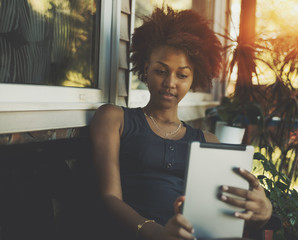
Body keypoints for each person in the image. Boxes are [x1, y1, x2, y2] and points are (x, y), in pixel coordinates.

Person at [89, 6, 272, 240]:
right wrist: (158, 233)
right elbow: (109, 197)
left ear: (194, 78)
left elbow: (224, 212)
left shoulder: (208, 141)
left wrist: (264, 211)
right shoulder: (115, 119)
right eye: (161, 71)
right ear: (146, 69)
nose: (170, 83)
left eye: (182, 75)